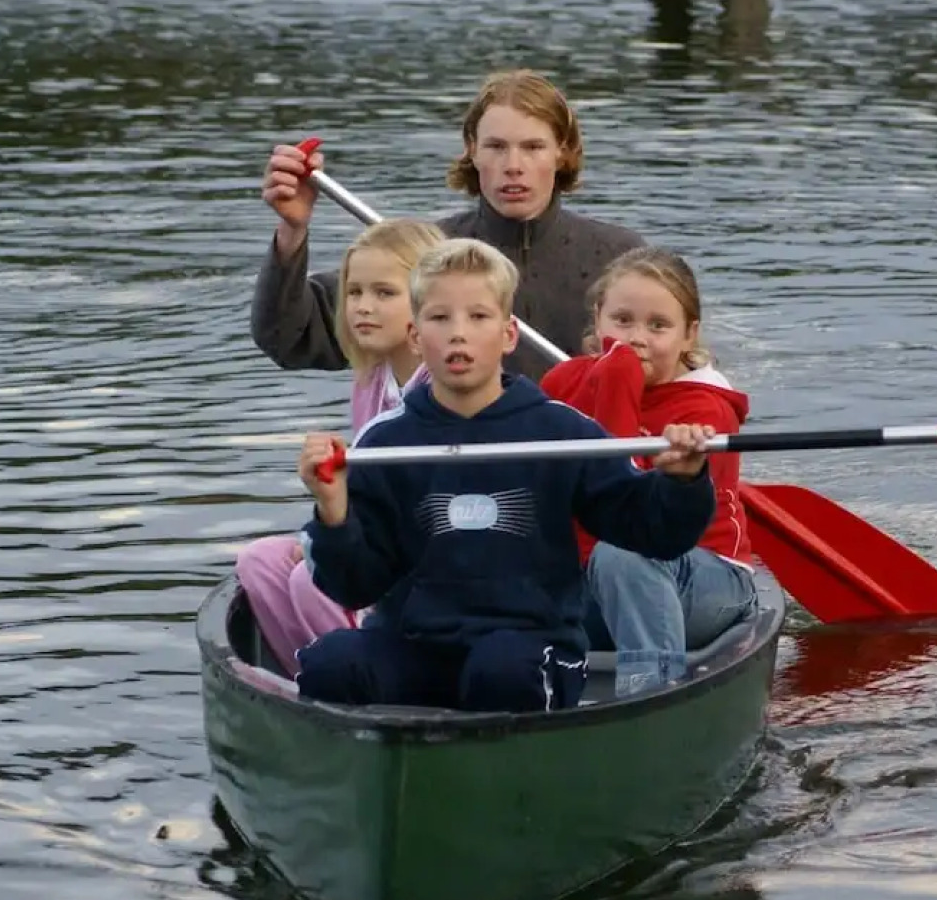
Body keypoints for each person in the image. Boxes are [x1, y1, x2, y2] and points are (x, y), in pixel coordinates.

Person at [293, 238, 718, 714]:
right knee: (329, 664)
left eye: (478, 317)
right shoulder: (384, 442)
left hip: (530, 648)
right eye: (440, 318)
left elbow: (653, 533)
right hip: (415, 645)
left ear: (509, 334)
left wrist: (681, 481)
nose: (459, 335)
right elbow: (355, 587)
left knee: (501, 671)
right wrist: (333, 512)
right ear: (414, 336)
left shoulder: (561, 432)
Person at [252, 69, 644, 382]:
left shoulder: (621, 259)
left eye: (532, 147)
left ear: (562, 152)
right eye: (496, 147)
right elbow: (288, 338)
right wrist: (292, 230)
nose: (513, 165)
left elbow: (670, 367)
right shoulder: (420, 255)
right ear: (472, 150)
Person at [541, 247, 758, 697]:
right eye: (622, 320)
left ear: (688, 335)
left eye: (658, 326)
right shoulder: (562, 382)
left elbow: (624, 510)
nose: (637, 338)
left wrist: (618, 379)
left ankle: (650, 696)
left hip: (703, 578)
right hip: (585, 578)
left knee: (622, 555)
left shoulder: (706, 409)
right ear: (598, 319)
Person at [236, 218, 445, 675]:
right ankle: (311, 679)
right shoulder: (371, 380)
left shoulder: (445, 390)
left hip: (426, 563)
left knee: (312, 582)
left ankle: (370, 676)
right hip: (371, 542)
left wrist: (336, 545)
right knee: (258, 562)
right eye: (354, 292)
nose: (363, 307)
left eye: (384, 293)